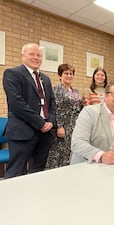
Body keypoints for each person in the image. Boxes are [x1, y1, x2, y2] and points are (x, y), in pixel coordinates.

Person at [2, 43, 56, 178]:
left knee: (38, 172)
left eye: (39, 55)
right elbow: (17, 103)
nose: (36, 57)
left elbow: (52, 104)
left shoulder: (46, 79)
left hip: (45, 133)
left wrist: (50, 122)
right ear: (22, 56)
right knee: (16, 172)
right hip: (23, 132)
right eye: (32, 54)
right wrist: (40, 123)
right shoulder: (12, 74)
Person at [46, 64, 83, 169]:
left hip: (74, 126)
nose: (69, 76)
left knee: (70, 153)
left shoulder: (75, 91)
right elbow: (55, 108)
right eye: (66, 73)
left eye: (71, 73)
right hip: (63, 127)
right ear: (60, 75)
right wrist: (59, 126)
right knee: (59, 154)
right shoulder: (56, 89)